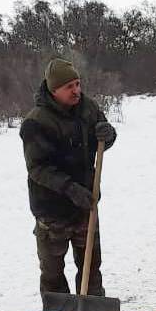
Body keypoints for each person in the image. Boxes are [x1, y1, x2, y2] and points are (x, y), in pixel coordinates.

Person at [20, 58, 117, 296]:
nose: (76, 91)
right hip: (52, 211)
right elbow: (38, 168)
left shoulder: (88, 109)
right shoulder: (36, 122)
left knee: (91, 268)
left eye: (77, 84)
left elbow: (102, 141)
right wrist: (71, 189)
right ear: (54, 91)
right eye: (69, 87)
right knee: (53, 273)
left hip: (86, 205)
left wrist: (109, 134)